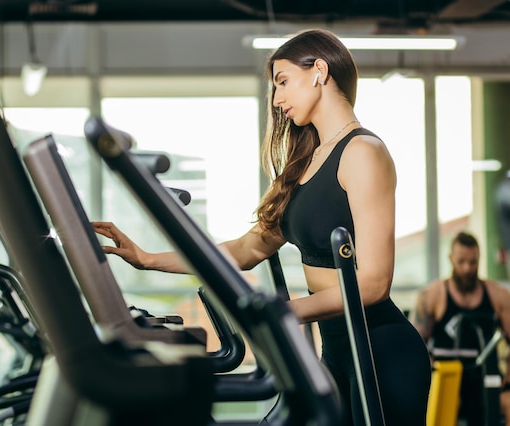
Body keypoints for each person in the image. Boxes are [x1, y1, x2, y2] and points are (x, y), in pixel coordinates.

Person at [93, 28, 431, 425]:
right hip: (337, 350)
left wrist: (281, 316)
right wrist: (147, 259)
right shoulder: (304, 164)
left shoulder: (362, 152)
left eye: (283, 82)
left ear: (319, 71)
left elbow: (372, 284)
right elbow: (245, 250)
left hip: (383, 352)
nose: (276, 99)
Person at [410, 231, 510, 426]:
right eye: (461, 261)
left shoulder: (498, 295)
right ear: (450, 259)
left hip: (486, 376)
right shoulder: (432, 296)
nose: (467, 268)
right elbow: (415, 345)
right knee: (448, 402)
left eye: (472, 262)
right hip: (448, 376)